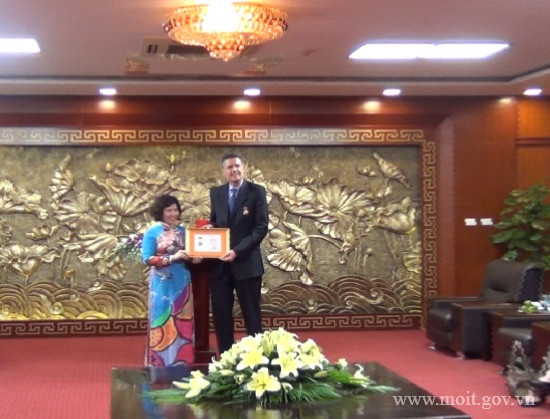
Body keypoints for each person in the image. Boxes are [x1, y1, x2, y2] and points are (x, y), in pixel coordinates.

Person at [207, 153, 269, 354]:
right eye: (229, 167)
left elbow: (260, 228)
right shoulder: (216, 193)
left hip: (246, 264)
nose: (234, 170)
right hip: (219, 266)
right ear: (223, 171)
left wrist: (236, 251)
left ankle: (256, 359)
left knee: (252, 316)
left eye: (237, 166)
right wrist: (210, 228)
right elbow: (216, 221)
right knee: (221, 316)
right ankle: (226, 358)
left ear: (244, 168)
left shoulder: (256, 192)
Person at [141, 194, 201, 367]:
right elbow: (146, 259)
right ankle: (160, 364)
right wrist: (171, 258)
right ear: (161, 212)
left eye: (176, 210)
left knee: (183, 318)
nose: (173, 214)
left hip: (182, 281)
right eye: (169, 210)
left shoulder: (183, 232)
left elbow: (191, 253)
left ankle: (183, 362)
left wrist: (195, 258)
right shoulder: (152, 232)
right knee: (162, 318)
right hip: (162, 283)